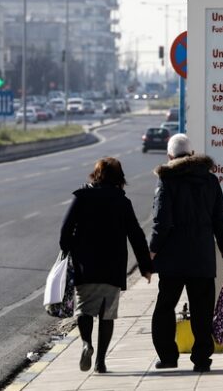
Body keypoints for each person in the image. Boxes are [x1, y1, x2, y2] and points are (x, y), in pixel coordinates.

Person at [149, 133, 223, 373]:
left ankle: (168, 356)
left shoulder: (166, 181)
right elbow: (221, 220)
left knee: (165, 308)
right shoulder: (210, 181)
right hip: (202, 259)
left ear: (170, 156)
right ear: (192, 153)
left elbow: (161, 223)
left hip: (173, 261)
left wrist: (152, 252)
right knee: (202, 311)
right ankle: (201, 360)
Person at [60, 157, 153, 373]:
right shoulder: (122, 201)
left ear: (96, 174)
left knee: (84, 309)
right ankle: (101, 361)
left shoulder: (81, 197)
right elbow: (136, 235)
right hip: (112, 267)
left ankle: (86, 343)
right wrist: (145, 266)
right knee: (107, 314)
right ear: (119, 177)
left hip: (85, 265)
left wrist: (69, 249)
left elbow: (65, 230)